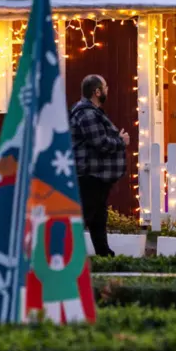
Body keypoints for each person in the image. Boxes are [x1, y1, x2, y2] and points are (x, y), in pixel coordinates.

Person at [70, 74, 130, 258]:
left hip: (98, 175)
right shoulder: (87, 113)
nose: (107, 90)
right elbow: (100, 142)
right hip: (90, 174)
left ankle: (103, 253)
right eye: (105, 87)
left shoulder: (92, 112)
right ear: (97, 92)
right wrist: (120, 141)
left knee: (98, 217)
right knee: (85, 215)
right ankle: (67, 255)